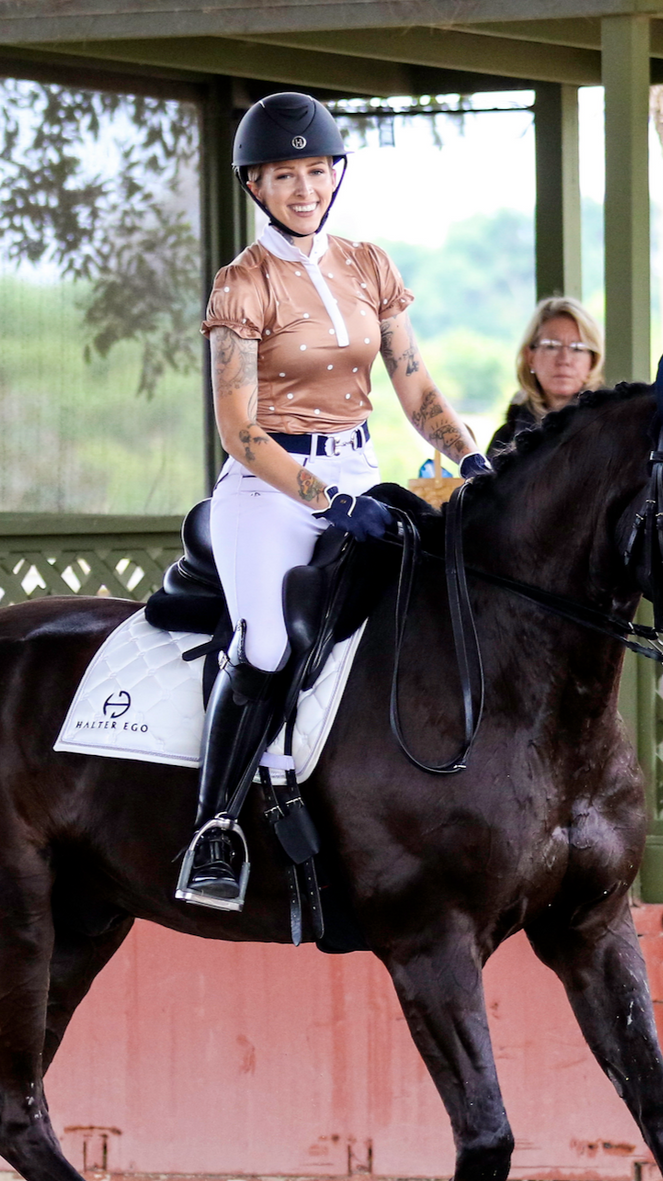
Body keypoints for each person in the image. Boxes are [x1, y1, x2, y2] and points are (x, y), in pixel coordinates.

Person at [180, 92, 490, 912]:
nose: (304, 189)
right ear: (257, 184)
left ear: (336, 175)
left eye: (317, 171)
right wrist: (326, 501)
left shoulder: (368, 265)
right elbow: (238, 429)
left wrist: (471, 455)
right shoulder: (241, 287)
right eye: (286, 175)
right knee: (270, 645)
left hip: (360, 469)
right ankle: (216, 827)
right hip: (267, 489)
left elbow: (415, 386)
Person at [486, 296, 605, 458]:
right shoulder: (505, 439)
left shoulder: (611, 432)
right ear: (530, 357)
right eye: (551, 346)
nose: (564, 360)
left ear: (592, 360)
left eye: (577, 348)